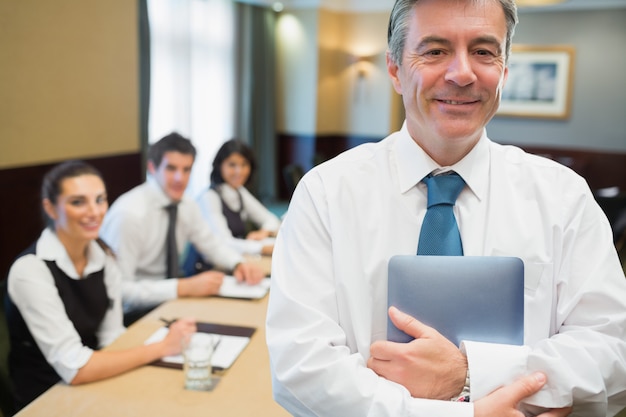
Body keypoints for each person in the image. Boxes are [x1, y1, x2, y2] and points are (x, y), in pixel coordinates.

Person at [265, 0, 626, 416]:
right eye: (435, 51)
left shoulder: (564, 198)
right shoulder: (325, 194)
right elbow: (301, 368)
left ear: (504, 72)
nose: (462, 73)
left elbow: (611, 350)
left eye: (484, 52)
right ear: (395, 70)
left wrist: (469, 372)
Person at [4, 160, 196, 412]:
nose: (94, 212)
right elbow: (75, 367)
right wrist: (163, 347)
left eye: (100, 199)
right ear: (51, 208)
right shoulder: (31, 270)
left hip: (94, 384)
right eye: (78, 202)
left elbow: (111, 338)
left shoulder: (103, 257)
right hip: (46, 397)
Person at [100, 133, 265, 323]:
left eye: (187, 170)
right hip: (132, 314)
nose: (180, 178)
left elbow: (212, 245)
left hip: (170, 302)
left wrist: (238, 263)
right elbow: (119, 290)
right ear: (152, 168)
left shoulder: (186, 204)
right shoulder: (129, 215)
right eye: (171, 168)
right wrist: (182, 287)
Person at [197, 139, 280, 257]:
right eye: (232, 165)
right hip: (206, 267)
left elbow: (271, 220)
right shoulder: (209, 198)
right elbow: (223, 243)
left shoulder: (239, 192)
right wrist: (262, 247)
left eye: (244, 164)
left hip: (234, 259)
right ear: (219, 165)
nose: (239, 171)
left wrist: (264, 232)